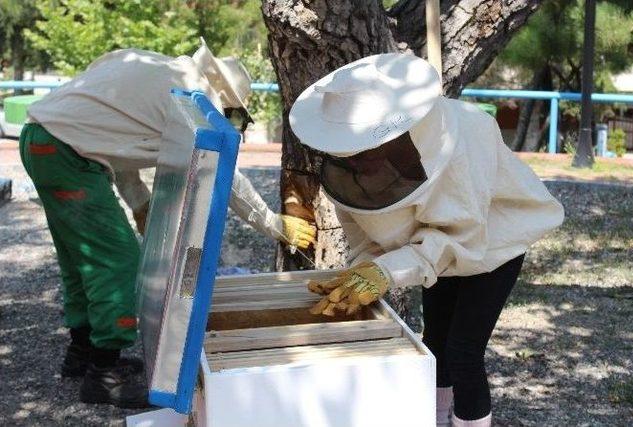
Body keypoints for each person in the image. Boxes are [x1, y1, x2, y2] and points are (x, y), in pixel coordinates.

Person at [19, 39, 316, 408]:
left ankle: (81, 355)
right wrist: (273, 224)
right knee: (119, 261)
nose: (232, 123)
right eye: (236, 116)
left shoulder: (158, 69)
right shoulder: (193, 94)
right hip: (65, 152)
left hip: (42, 141)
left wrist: (141, 204)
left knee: (80, 258)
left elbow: (112, 143)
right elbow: (228, 176)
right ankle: (103, 375)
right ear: (226, 99)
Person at [289, 53, 564, 427]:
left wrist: (386, 272)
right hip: (433, 252)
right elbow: (364, 239)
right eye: (348, 155)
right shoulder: (347, 170)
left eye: (364, 152)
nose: (358, 164)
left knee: (463, 351)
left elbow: (462, 239)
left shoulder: (466, 135)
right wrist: (362, 274)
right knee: (434, 342)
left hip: (493, 244)